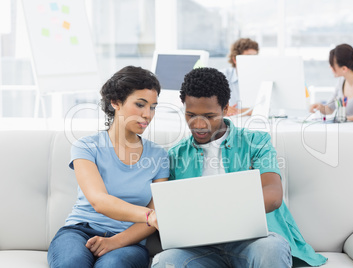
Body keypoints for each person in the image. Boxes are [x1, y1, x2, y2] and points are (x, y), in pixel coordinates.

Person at [151, 68, 327, 268]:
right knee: (165, 262)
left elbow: (273, 195)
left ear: (226, 109)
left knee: (272, 249)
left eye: (209, 116)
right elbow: (168, 210)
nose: (199, 124)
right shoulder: (175, 155)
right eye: (191, 115)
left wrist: (209, 209)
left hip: (254, 242)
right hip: (200, 249)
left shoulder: (255, 142)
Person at [47, 66, 168, 268]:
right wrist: (150, 216)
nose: (148, 114)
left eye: (153, 107)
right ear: (115, 102)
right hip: (79, 232)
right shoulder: (86, 147)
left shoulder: (159, 156)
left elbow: (152, 220)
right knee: (71, 263)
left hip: (129, 242)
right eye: (140, 104)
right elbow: (99, 201)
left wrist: (115, 242)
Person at [310, 44, 353, 121]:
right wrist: (320, 107)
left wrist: (343, 119)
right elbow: (330, 109)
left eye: (332, 65)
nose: (330, 67)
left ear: (344, 69)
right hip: (344, 129)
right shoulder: (341, 82)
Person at [220, 37, 259, 116]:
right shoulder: (222, 77)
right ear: (235, 59)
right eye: (248, 57)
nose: (252, 61)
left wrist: (239, 111)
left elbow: (264, 109)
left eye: (255, 57)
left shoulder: (260, 78)